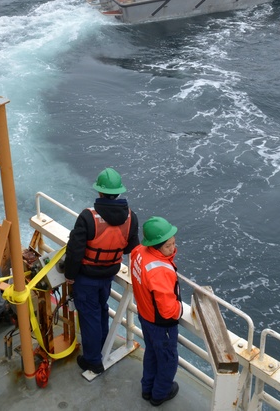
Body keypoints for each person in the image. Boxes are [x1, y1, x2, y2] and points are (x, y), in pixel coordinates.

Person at [64, 167, 140, 375]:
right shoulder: (131, 218)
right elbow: (130, 248)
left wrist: (69, 275)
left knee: (89, 316)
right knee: (101, 310)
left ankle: (93, 360)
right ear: (118, 192)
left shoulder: (88, 217)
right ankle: (103, 347)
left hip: (86, 277)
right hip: (108, 274)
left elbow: (75, 251)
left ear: (99, 192)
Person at [130, 216, 188, 407]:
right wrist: (181, 309)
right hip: (160, 325)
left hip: (145, 316)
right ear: (155, 246)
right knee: (168, 360)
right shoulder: (160, 271)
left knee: (152, 353)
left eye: (173, 243)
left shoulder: (138, 252)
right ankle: (159, 395)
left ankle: (147, 389)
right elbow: (169, 310)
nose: (173, 248)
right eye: (168, 246)